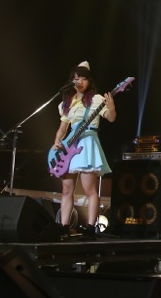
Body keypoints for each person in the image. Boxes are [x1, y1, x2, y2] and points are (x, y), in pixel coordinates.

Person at [49, 61, 117, 235]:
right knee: (66, 189)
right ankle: (64, 226)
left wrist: (111, 108)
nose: (79, 82)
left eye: (83, 78)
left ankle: (90, 227)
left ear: (89, 81)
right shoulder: (67, 103)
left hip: (87, 144)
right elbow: (63, 128)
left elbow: (110, 118)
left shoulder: (96, 100)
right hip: (69, 146)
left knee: (89, 190)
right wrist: (57, 141)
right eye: (76, 78)